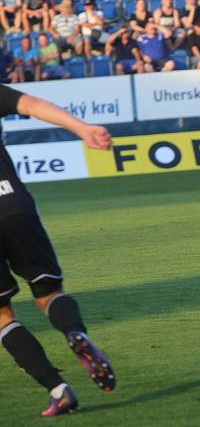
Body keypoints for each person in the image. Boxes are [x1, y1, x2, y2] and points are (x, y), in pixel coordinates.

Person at [0, 85, 116, 417]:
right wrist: (82, 128)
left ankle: (59, 389)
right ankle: (74, 332)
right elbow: (33, 104)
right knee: (48, 291)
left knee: (2, 315)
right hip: (13, 204)